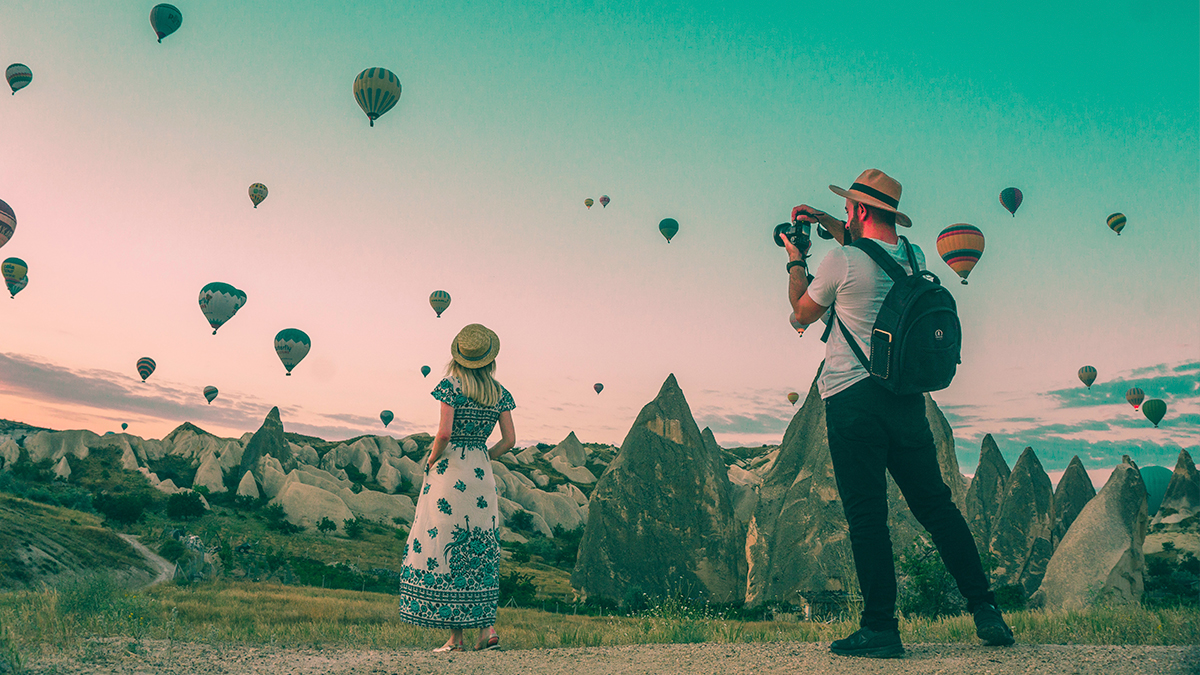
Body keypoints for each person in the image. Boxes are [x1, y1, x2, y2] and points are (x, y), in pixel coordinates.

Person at [781, 169, 1014, 658]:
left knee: (867, 516)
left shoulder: (838, 261)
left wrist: (795, 260)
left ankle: (881, 628)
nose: (844, 215)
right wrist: (825, 218)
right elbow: (870, 249)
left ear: (861, 211)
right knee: (937, 507)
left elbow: (801, 314)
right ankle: (986, 610)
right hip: (907, 401)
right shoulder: (914, 258)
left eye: (848, 208)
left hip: (851, 401)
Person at [397, 323, 516, 652]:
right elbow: (510, 440)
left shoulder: (450, 386)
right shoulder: (499, 392)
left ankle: (455, 638)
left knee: (448, 544)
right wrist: (484, 456)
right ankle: (487, 629)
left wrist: (431, 460)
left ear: (458, 356)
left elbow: (444, 433)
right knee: (481, 545)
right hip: (481, 475)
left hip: (451, 474)